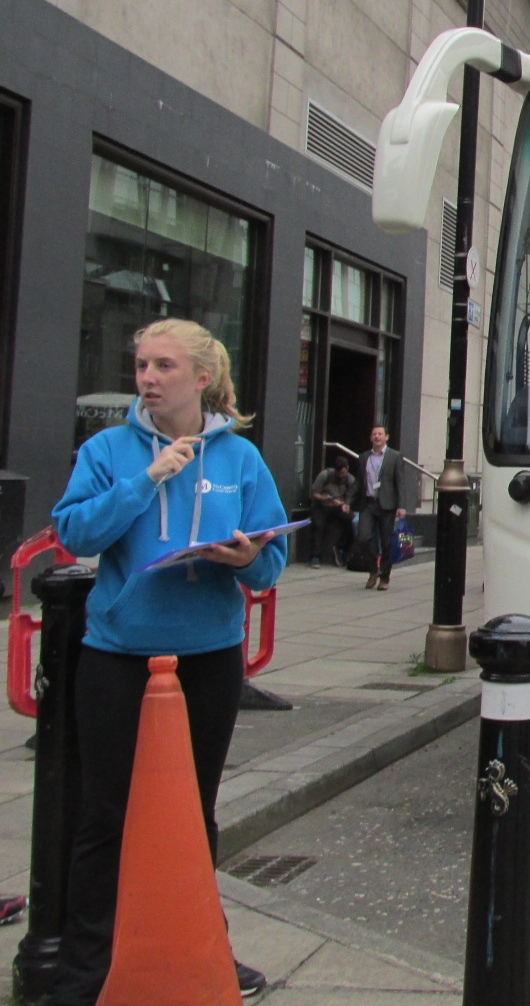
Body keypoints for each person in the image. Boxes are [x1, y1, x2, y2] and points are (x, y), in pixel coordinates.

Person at [51, 318, 287, 1003]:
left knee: (194, 812)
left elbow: (271, 560)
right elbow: (75, 532)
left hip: (207, 657)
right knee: (106, 815)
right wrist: (146, 480)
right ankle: (84, 973)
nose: (147, 378)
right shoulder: (107, 449)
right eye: (142, 366)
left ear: (201, 378)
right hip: (120, 655)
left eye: (163, 366)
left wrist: (246, 558)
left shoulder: (240, 458)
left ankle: (202, 948)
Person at [356, 425, 414, 590]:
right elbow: (359, 482)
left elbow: (400, 482)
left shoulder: (394, 456)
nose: (377, 436)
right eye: (374, 434)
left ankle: (384, 577)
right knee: (363, 537)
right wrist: (347, 501)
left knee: (387, 542)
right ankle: (373, 570)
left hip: (387, 505)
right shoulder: (364, 457)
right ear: (370, 437)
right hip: (368, 503)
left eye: (380, 434)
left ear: (386, 437)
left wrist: (402, 506)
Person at [307, 456, 356, 568]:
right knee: (318, 525)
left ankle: (341, 548)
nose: (341, 475)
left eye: (343, 473)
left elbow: (351, 495)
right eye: (339, 473)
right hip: (322, 505)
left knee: (353, 521)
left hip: (338, 506)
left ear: (347, 469)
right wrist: (327, 499)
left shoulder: (350, 479)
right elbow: (314, 493)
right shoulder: (325, 475)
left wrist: (346, 504)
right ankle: (315, 556)